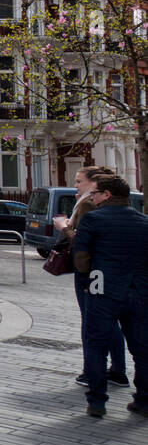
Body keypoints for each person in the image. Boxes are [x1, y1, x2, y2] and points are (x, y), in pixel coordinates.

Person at [72, 174, 148, 418]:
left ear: (107, 194)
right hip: (138, 291)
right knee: (142, 349)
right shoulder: (143, 221)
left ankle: (97, 402)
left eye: (93, 193)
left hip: (101, 288)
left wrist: (85, 283)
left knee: (96, 345)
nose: (90, 198)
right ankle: (143, 400)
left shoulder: (93, 220)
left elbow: (81, 255)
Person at [55, 165, 128, 387]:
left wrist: (64, 227)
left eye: (79, 181)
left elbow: (84, 241)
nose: (75, 185)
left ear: (94, 184)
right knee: (109, 320)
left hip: (90, 271)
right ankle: (117, 369)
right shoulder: (109, 204)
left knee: (92, 321)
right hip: (110, 271)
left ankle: (94, 372)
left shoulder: (88, 203)